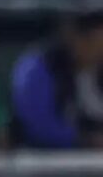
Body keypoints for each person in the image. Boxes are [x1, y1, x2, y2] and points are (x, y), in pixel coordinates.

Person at [12, 9, 103, 149]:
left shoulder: (94, 69)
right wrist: (87, 140)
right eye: (95, 44)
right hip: (42, 156)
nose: (99, 53)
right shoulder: (38, 68)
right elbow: (40, 126)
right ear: (75, 39)